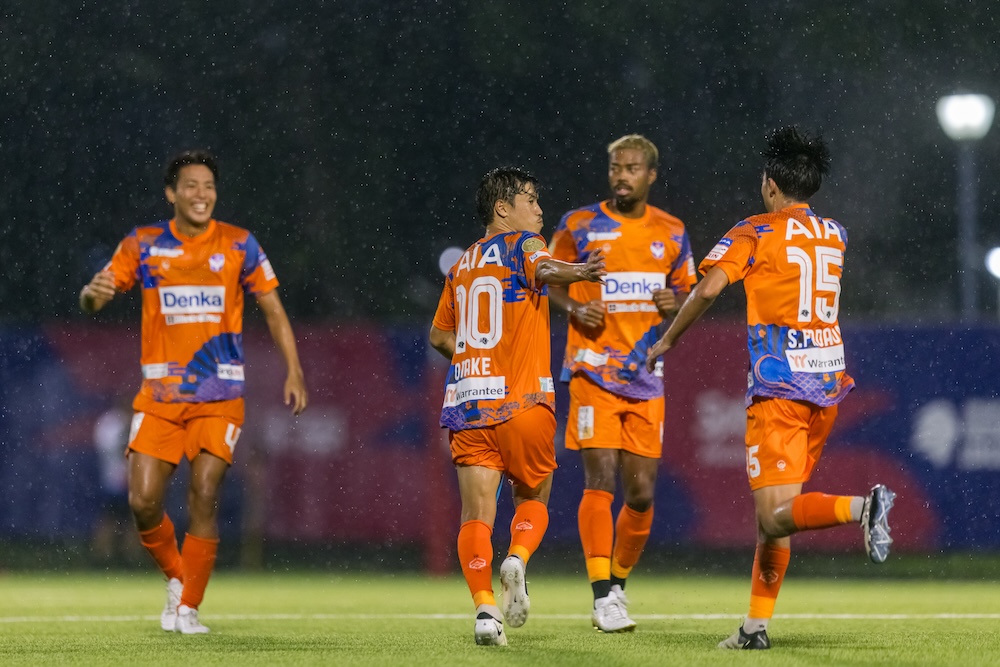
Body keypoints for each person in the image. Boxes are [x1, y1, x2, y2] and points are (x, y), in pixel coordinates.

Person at [644, 126, 896, 650]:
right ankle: (754, 629)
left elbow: (708, 290)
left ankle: (863, 508)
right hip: (827, 385)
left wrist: (668, 338)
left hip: (780, 389)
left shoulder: (754, 231)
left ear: (771, 185)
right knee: (777, 521)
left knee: (774, 515)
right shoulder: (835, 233)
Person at [79, 149, 308, 634]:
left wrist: (295, 370)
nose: (201, 194)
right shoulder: (144, 244)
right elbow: (96, 297)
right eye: (191, 185)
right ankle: (177, 578)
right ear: (171, 193)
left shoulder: (239, 244)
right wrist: (90, 296)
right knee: (142, 502)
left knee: (205, 494)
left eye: (208, 186)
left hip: (219, 395)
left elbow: (272, 307)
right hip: (159, 398)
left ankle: (188, 608)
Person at [429, 166, 606, 647]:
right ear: (502, 209)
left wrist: (476, 356)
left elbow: (440, 336)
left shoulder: (463, 264)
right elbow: (545, 269)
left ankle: (486, 611)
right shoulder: (525, 243)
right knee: (533, 498)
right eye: (530, 199)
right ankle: (518, 557)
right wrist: (580, 272)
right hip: (522, 400)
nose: (539, 209)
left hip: (468, 403)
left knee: (475, 514)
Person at [547, 134, 697, 632]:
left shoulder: (671, 231)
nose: (621, 175)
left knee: (641, 493)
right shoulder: (578, 224)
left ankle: (617, 587)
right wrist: (574, 307)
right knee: (600, 479)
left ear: (651, 175)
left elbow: (688, 294)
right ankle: (600, 598)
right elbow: (546, 278)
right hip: (592, 369)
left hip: (645, 374)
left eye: (632, 168)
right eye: (615, 167)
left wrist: (675, 305)